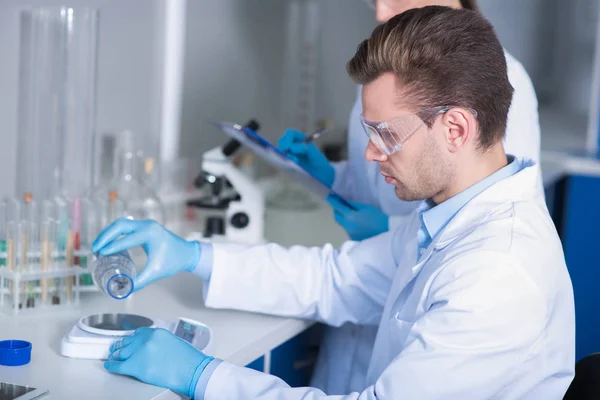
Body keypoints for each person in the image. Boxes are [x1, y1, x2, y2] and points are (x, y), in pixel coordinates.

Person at [95, 7, 574, 399]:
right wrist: (194, 255)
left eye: (385, 134)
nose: (369, 153)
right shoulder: (453, 214)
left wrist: (204, 377)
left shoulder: (499, 273)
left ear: (456, 129)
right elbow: (336, 279)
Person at [277, 0, 541, 393]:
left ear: (456, 127)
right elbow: (388, 170)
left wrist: (209, 379)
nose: (381, 12)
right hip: (377, 298)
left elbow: (472, 184)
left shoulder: (490, 270)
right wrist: (332, 174)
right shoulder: (390, 75)